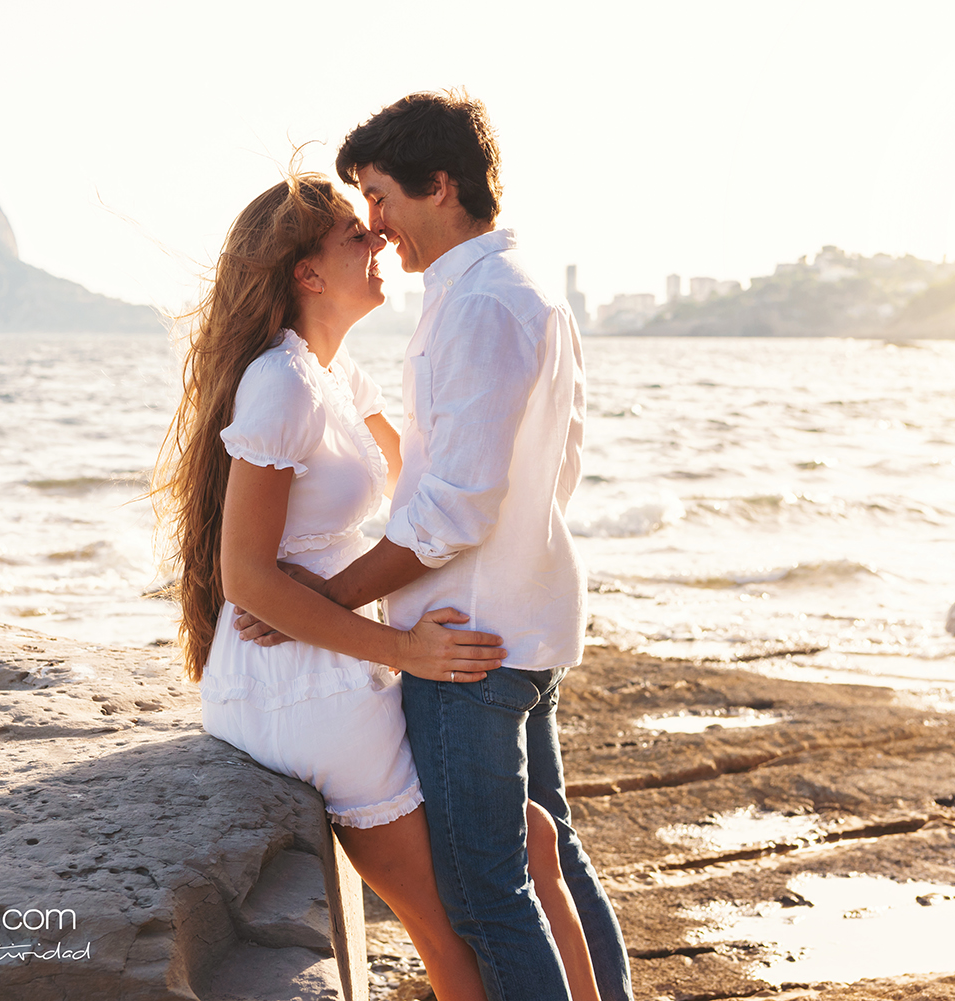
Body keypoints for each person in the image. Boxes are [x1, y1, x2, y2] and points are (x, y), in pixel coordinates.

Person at [151, 172, 602, 1001]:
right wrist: (407, 650)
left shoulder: (334, 375)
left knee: (532, 842)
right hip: (302, 685)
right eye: (357, 236)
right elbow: (246, 578)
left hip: (336, 654)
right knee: (452, 920)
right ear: (307, 274)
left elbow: (429, 478)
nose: (380, 240)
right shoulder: (279, 384)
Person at [243, 90, 634, 1001]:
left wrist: (326, 599)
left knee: (487, 892)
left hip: (469, 643)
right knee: (551, 856)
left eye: (380, 196)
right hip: (518, 618)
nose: (375, 227)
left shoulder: (479, 306)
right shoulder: (517, 287)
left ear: (440, 185)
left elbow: (451, 512)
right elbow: (555, 468)